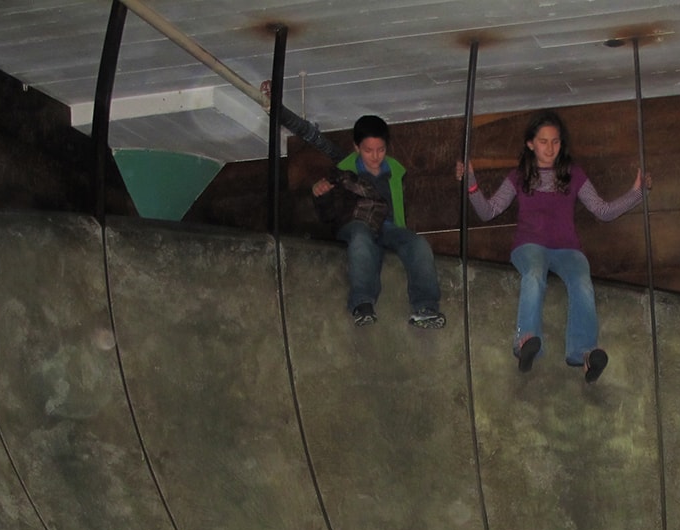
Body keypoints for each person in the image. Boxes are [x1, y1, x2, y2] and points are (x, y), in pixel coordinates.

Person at [455, 110, 648, 383]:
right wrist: (471, 184)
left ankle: (584, 353)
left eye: (555, 141)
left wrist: (637, 193)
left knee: (582, 281)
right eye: (543, 141)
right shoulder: (519, 176)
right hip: (529, 245)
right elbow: (489, 211)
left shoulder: (573, 174)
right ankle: (525, 342)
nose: (550, 148)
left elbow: (602, 211)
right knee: (534, 275)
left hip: (567, 247)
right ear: (530, 144)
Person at [269, 94, 445, 330]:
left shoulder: (395, 171)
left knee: (419, 244)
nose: (375, 156)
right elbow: (328, 214)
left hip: (389, 227)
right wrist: (319, 194)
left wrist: (400, 231)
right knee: (362, 239)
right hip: (356, 223)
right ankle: (362, 303)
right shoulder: (343, 171)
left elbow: (398, 208)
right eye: (368, 150)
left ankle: (426, 307)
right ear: (356, 148)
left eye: (380, 150)